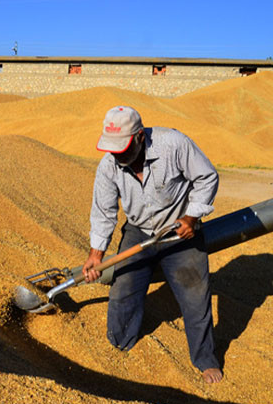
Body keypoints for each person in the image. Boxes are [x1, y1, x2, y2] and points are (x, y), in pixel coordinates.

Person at [82, 105, 223, 384]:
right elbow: (104, 210)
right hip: (138, 230)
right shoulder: (109, 164)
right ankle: (120, 343)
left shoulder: (174, 144)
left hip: (180, 230)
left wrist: (191, 217)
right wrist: (96, 254)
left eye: (122, 148)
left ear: (139, 138)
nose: (117, 155)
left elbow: (207, 177)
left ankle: (205, 359)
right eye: (112, 148)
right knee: (123, 290)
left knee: (195, 295)